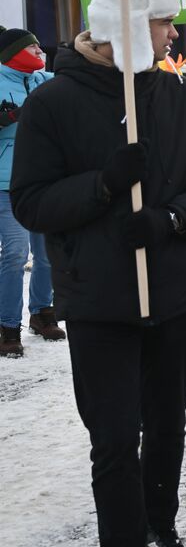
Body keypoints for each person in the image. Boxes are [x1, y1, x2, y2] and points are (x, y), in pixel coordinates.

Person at [10, 0, 186, 547]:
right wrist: (104, 185)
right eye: (164, 22)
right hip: (98, 301)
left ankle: (158, 524)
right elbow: (30, 200)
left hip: (171, 294)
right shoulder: (52, 103)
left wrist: (170, 219)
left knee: (167, 420)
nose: (175, 33)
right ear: (126, 27)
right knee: (113, 437)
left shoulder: (178, 98)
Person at [0, 28, 65, 354]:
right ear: (13, 51)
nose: (40, 51)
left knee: (48, 252)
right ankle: (7, 326)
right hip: (6, 183)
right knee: (14, 253)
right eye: (33, 46)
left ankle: (42, 312)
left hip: (42, 179)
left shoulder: (45, 79)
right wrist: (9, 116)